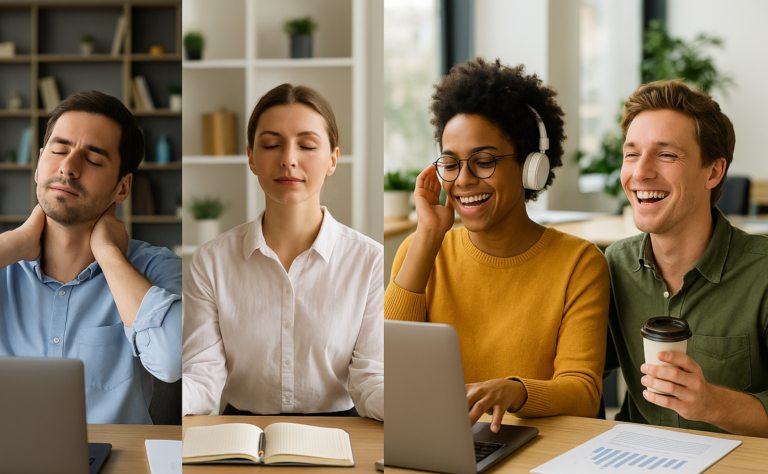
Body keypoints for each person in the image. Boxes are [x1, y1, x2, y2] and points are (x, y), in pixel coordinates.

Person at [384, 58, 609, 432]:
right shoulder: (420, 250)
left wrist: (515, 391)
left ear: (530, 165)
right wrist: (427, 236)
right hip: (441, 446)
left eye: (484, 161)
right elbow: (389, 369)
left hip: (535, 454)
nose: (464, 179)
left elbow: (583, 393)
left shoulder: (579, 263)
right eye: (451, 164)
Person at [182, 83, 383, 420]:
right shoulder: (211, 261)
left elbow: (371, 379)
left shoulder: (369, 260)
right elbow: (202, 378)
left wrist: (413, 413)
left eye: (307, 145)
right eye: (272, 145)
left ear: (333, 159)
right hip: (240, 432)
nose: (288, 159)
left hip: (341, 433)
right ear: (251, 158)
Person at [0, 90, 182, 424]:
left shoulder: (157, 268)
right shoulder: (4, 264)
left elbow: (172, 361)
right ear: (39, 166)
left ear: (122, 188)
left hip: (118, 471)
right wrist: (16, 242)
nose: (68, 168)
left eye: (94, 159)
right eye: (58, 150)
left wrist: (109, 254)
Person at [605, 79, 768, 437]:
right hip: (637, 467)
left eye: (666, 154)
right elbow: (572, 375)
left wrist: (711, 403)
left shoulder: (763, 274)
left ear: (713, 171)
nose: (641, 172)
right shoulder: (614, 266)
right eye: (631, 154)